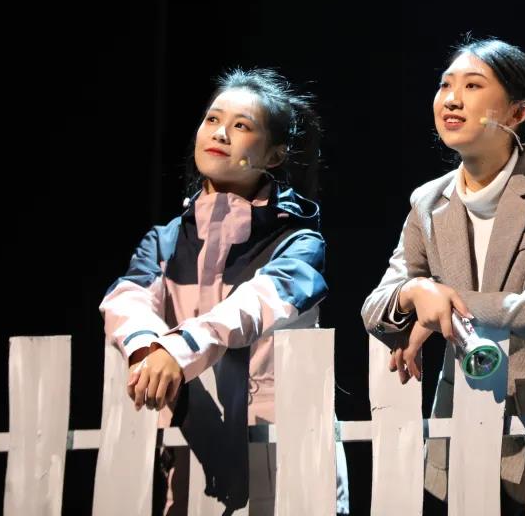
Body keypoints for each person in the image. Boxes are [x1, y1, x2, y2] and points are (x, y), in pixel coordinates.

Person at [361, 37, 525, 515]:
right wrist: (415, 291)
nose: (451, 99)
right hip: (461, 431)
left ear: (518, 112)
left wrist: (446, 300)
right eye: (445, 85)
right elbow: (377, 306)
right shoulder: (427, 202)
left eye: (472, 86)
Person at [101, 67, 349, 515]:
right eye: (213, 119)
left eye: (242, 126)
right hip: (196, 444)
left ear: (274, 155)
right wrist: (146, 349)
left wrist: (177, 350)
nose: (220, 133)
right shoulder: (165, 240)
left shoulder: (299, 242)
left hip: (285, 445)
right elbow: (126, 298)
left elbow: (252, 306)